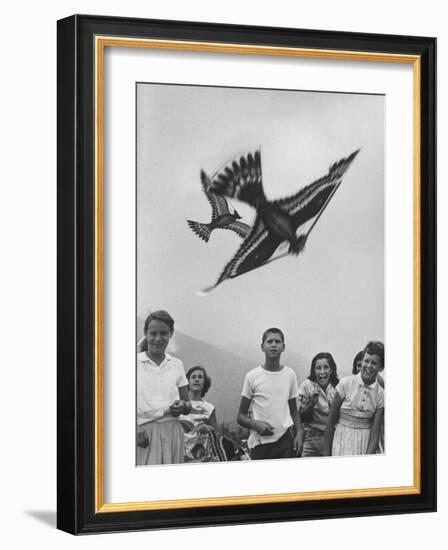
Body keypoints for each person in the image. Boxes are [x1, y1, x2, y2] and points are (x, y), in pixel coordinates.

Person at [237, 328, 303, 460]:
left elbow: (294, 411)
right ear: (262, 346)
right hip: (260, 444)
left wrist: (299, 434)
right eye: (269, 341)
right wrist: (255, 424)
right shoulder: (252, 376)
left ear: (283, 347)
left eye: (277, 342)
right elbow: (240, 416)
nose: (273, 345)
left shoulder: (290, 374)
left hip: (285, 441)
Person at [136, 310, 192, 465]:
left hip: (173, 432)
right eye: (153, 333)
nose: (158, 339)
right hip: (144, 433)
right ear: (145, 333)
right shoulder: (134, 363)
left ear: (171, 334)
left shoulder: (176, 364)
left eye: (163, 333)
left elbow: (188, 404)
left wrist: (182, 406)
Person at [324, 341, 384, 456]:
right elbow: (330, 421)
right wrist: (326, 455)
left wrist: (368, 457)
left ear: (381, 368)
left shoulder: (381, 394)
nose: (368, 366)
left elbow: (375, 433)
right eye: (366, 361)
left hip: (364, 443)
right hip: (341, 439)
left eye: (374, 363)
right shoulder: (345, 384)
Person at [298, 352, 339, 457]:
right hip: (312, 438)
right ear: (313, 370)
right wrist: (311, 404)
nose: (322, 372)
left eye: (326, 367)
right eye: (318, 368)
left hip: (334, 437)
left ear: (331, 370)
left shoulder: (339, 386)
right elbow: (300, 416)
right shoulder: (306, 386)